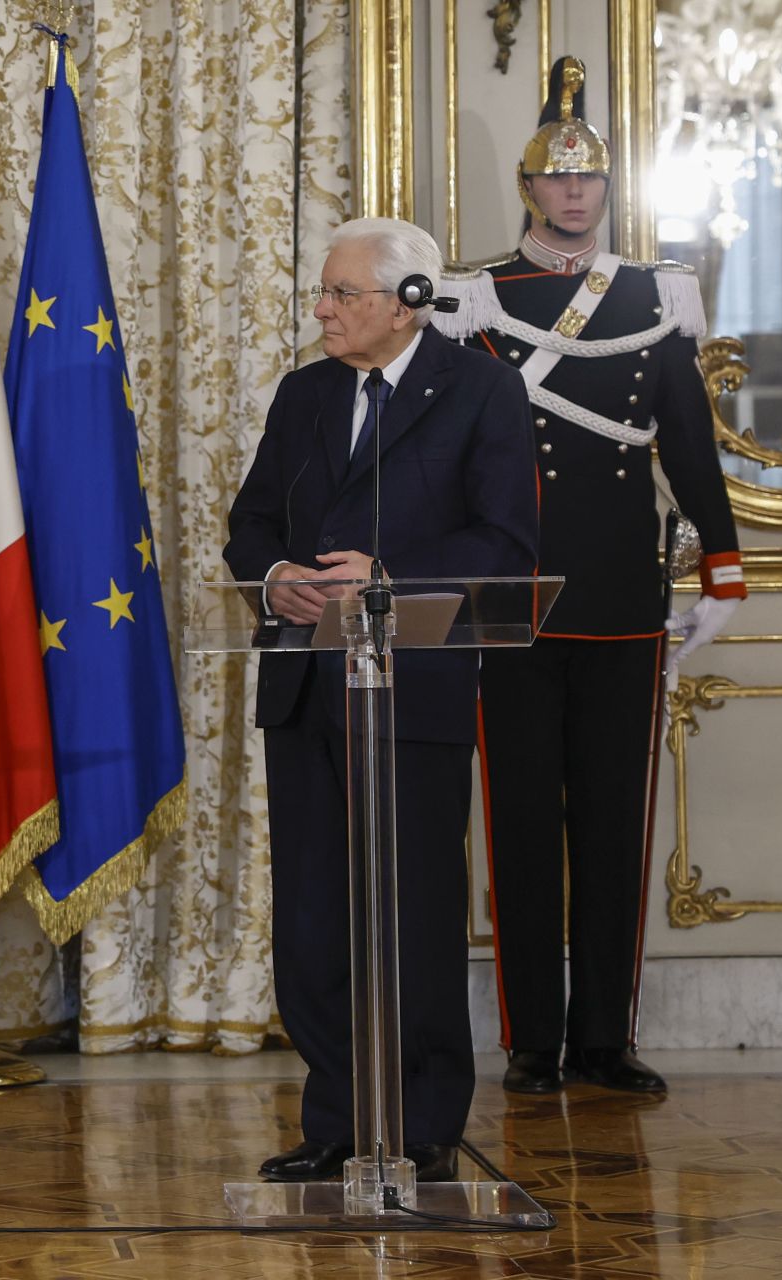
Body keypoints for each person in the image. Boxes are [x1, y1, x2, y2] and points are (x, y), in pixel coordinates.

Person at [436, 56, 744, 1097]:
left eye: (590, 180)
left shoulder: (657, 296)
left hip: (621, 594)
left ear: (607, 191)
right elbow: (451, 451)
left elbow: (690, 448)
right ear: (528, 188)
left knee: (614, 827)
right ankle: (533, 1041)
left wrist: (725, 569)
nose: (575, 194)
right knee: (521, 821)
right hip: (513, 594)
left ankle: (605, 1037)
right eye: (556, 178)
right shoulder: (481, 297)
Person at [224, 217, 539, 1183]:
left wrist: (390, 576)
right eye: (321, 293)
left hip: (414, 693)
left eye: (340, 294)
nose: (320, 309)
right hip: (308, 690)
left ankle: (426, 1123)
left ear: (406, 304)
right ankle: (337, 1121)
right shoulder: (304, 393)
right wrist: (275, 575)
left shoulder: (481, 390)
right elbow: (250, 524)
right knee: (315, 917)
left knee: (414, 913)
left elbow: (507, 545)